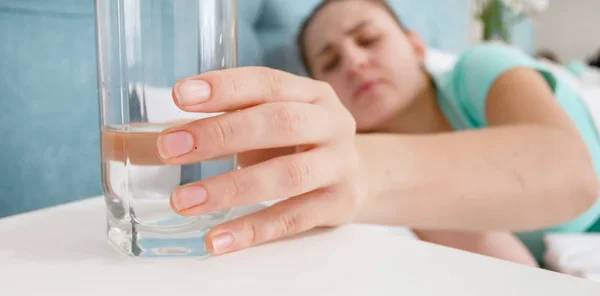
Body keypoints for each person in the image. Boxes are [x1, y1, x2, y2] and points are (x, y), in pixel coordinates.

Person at [155, 0, 600, 266]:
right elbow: (521, 271)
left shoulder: (479, 67)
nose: (353, 61)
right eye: (330, 63)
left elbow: (571, 172)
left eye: (368, 39)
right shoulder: (413, 193)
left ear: (417, 44)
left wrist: (361, 172)